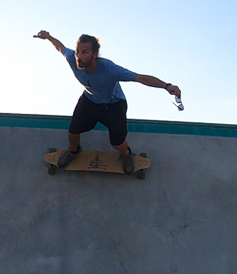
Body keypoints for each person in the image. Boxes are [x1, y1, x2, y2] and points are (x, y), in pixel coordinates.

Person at [34, 30, 182, 173]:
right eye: (78, 51)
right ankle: (74, 151)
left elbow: (140, 78)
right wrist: (48, 37)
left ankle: (127, 155)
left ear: (94, 55)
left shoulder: (109, 69)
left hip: (114, 105)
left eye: (85, 52)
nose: (79, 56)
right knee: (72, 132)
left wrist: (166, 86)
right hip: (90, 100)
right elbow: (60, 47)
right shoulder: (72, 58)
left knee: (118, 143)